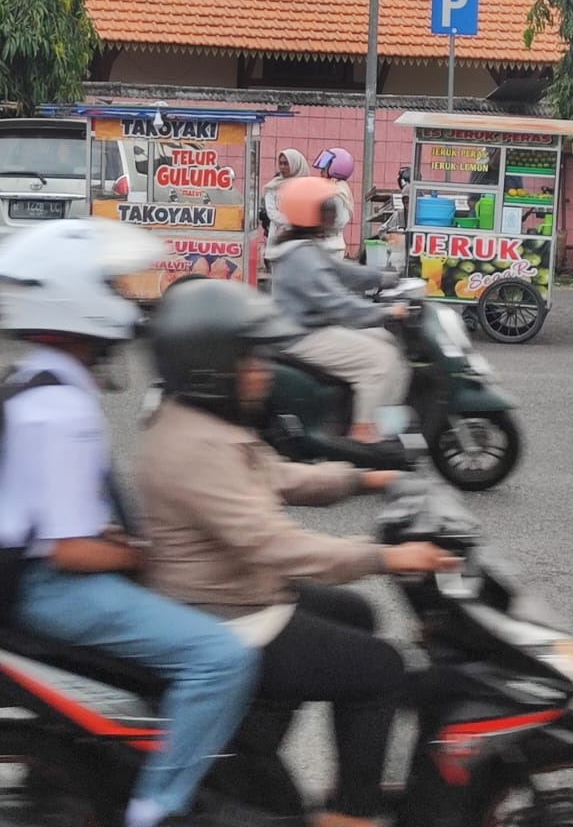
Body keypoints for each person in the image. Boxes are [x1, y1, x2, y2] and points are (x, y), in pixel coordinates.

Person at [0, 219, 260, 827]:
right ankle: (158, 808)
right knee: (221, 658)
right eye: (110, 285)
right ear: (76, 297)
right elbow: (70, 550)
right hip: (51, 591)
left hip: (23, 571)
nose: (124, 297)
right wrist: (141, 555)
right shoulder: (62, 405)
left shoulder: (36, 377)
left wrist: (125, 546)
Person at [136, 279, 460, 827]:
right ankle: (350, 814)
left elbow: (275, 475)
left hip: (232, 590)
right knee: (381, 669)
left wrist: (363, 479)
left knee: (356, 614)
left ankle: (259, 736)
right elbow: (274, 544)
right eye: (250, 357)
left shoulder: (199, 421)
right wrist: (384, 556)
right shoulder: (196, 446)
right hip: (230, 614)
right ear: (211, 365)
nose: (263, 368)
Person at [266, 175, 410, 442]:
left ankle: (384, 420)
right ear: (310, 212)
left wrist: (385, 278)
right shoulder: (301, 256)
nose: (332, 214)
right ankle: (363, 431)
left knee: (388, 342)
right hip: (302, 335)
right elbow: (337, 303)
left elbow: (343, 272)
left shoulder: (303, 247)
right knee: (380, 360)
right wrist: (385, 313)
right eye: (327, 209)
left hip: (308, 327)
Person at [260, 148, 310, 247]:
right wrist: (292, 224)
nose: (282, 167)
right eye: (281, 163)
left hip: (302, 239)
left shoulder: (306, 186)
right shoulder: (274, 186)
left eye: (286, 164)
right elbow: (272, 213)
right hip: (279, 236)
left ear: (295, 165)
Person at [313, 147, 356, 257]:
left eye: (324, 169)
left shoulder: (336, 192)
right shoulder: (338, 189)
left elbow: (336, 221)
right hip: (330, 245)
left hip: (330, 247)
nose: (321, 173)